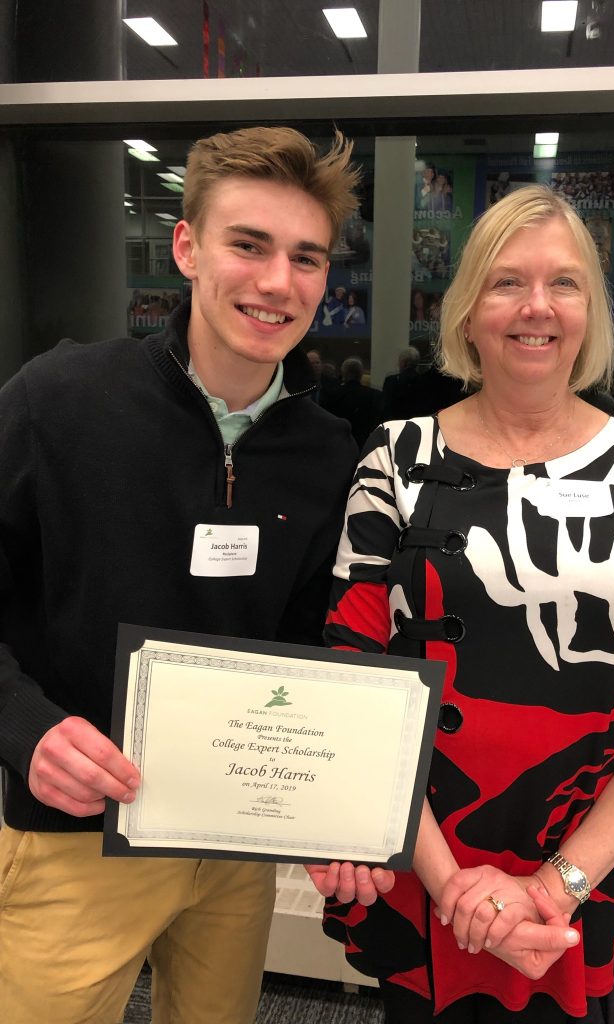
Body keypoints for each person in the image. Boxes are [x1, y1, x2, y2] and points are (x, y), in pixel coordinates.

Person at [311, 184, 614, 1022]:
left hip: (580, 873)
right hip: (426, 863)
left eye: (563, 283)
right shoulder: (395, 458)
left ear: (590, 311)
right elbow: (350, 681)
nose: (537, 307)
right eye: (506, 282)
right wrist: (454, 885)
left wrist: (551, 887)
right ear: (467, 312)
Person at [0, 125, 361, 1024]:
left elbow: (308, 649)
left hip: (233, 847)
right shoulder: (59, 401)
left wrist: (340, 811)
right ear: (187, 247)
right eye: (249, 244)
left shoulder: (326, 451)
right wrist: (23, 727)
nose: (279, 282)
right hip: (76, 838)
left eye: (306, 257)